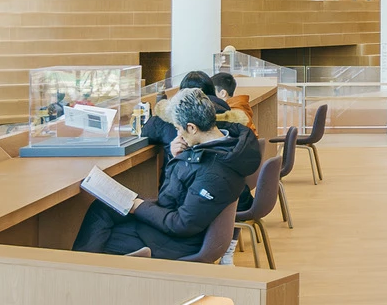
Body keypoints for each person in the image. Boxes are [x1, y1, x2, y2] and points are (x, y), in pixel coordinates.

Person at [70, 89, 258, 257]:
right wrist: (177, 157)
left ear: (192, 128)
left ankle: (80, 275)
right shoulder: (213, 146)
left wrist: (137, 205)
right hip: (174, 220)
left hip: (179, 242)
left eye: (178, 128)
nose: (177, 134)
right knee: (102, 208)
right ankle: (81, 270)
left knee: (104, 239)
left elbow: (181, 224)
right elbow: (172, 193)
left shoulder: (215, 172)